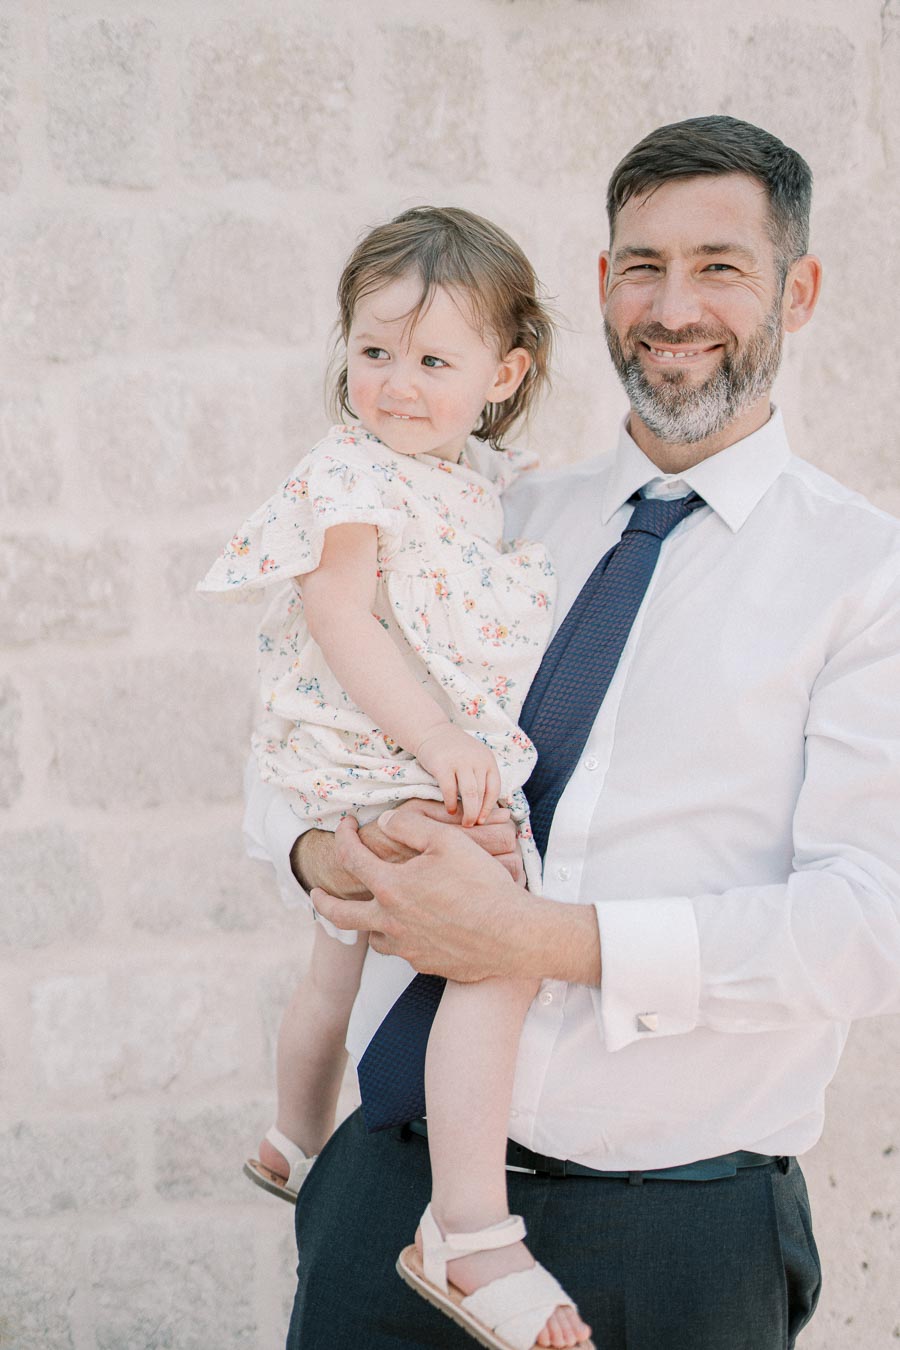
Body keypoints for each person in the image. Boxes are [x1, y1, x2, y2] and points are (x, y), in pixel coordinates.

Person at [247, 117, 900, 1350]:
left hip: (681, 1234)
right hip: (389, 1187)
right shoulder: (481, 511)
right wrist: (317, 857)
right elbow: (308, 717)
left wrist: (540, 939)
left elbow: (872, 925)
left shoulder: (870, 577)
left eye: (721, 266)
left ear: (798, 292)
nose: (674, 305)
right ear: (601, 286)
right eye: (642, 265)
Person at [203, 207, 597, 1348]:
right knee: (503, 944)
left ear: (503, 372)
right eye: (375, 353)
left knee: (334, 960)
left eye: (433, 360)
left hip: (386, 757)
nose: (398, 384)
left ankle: (290, 1135)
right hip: (379, 753)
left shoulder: (480, 482)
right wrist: (441, 745)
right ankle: (469, 1227)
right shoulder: (350, 473)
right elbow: (339, 615)